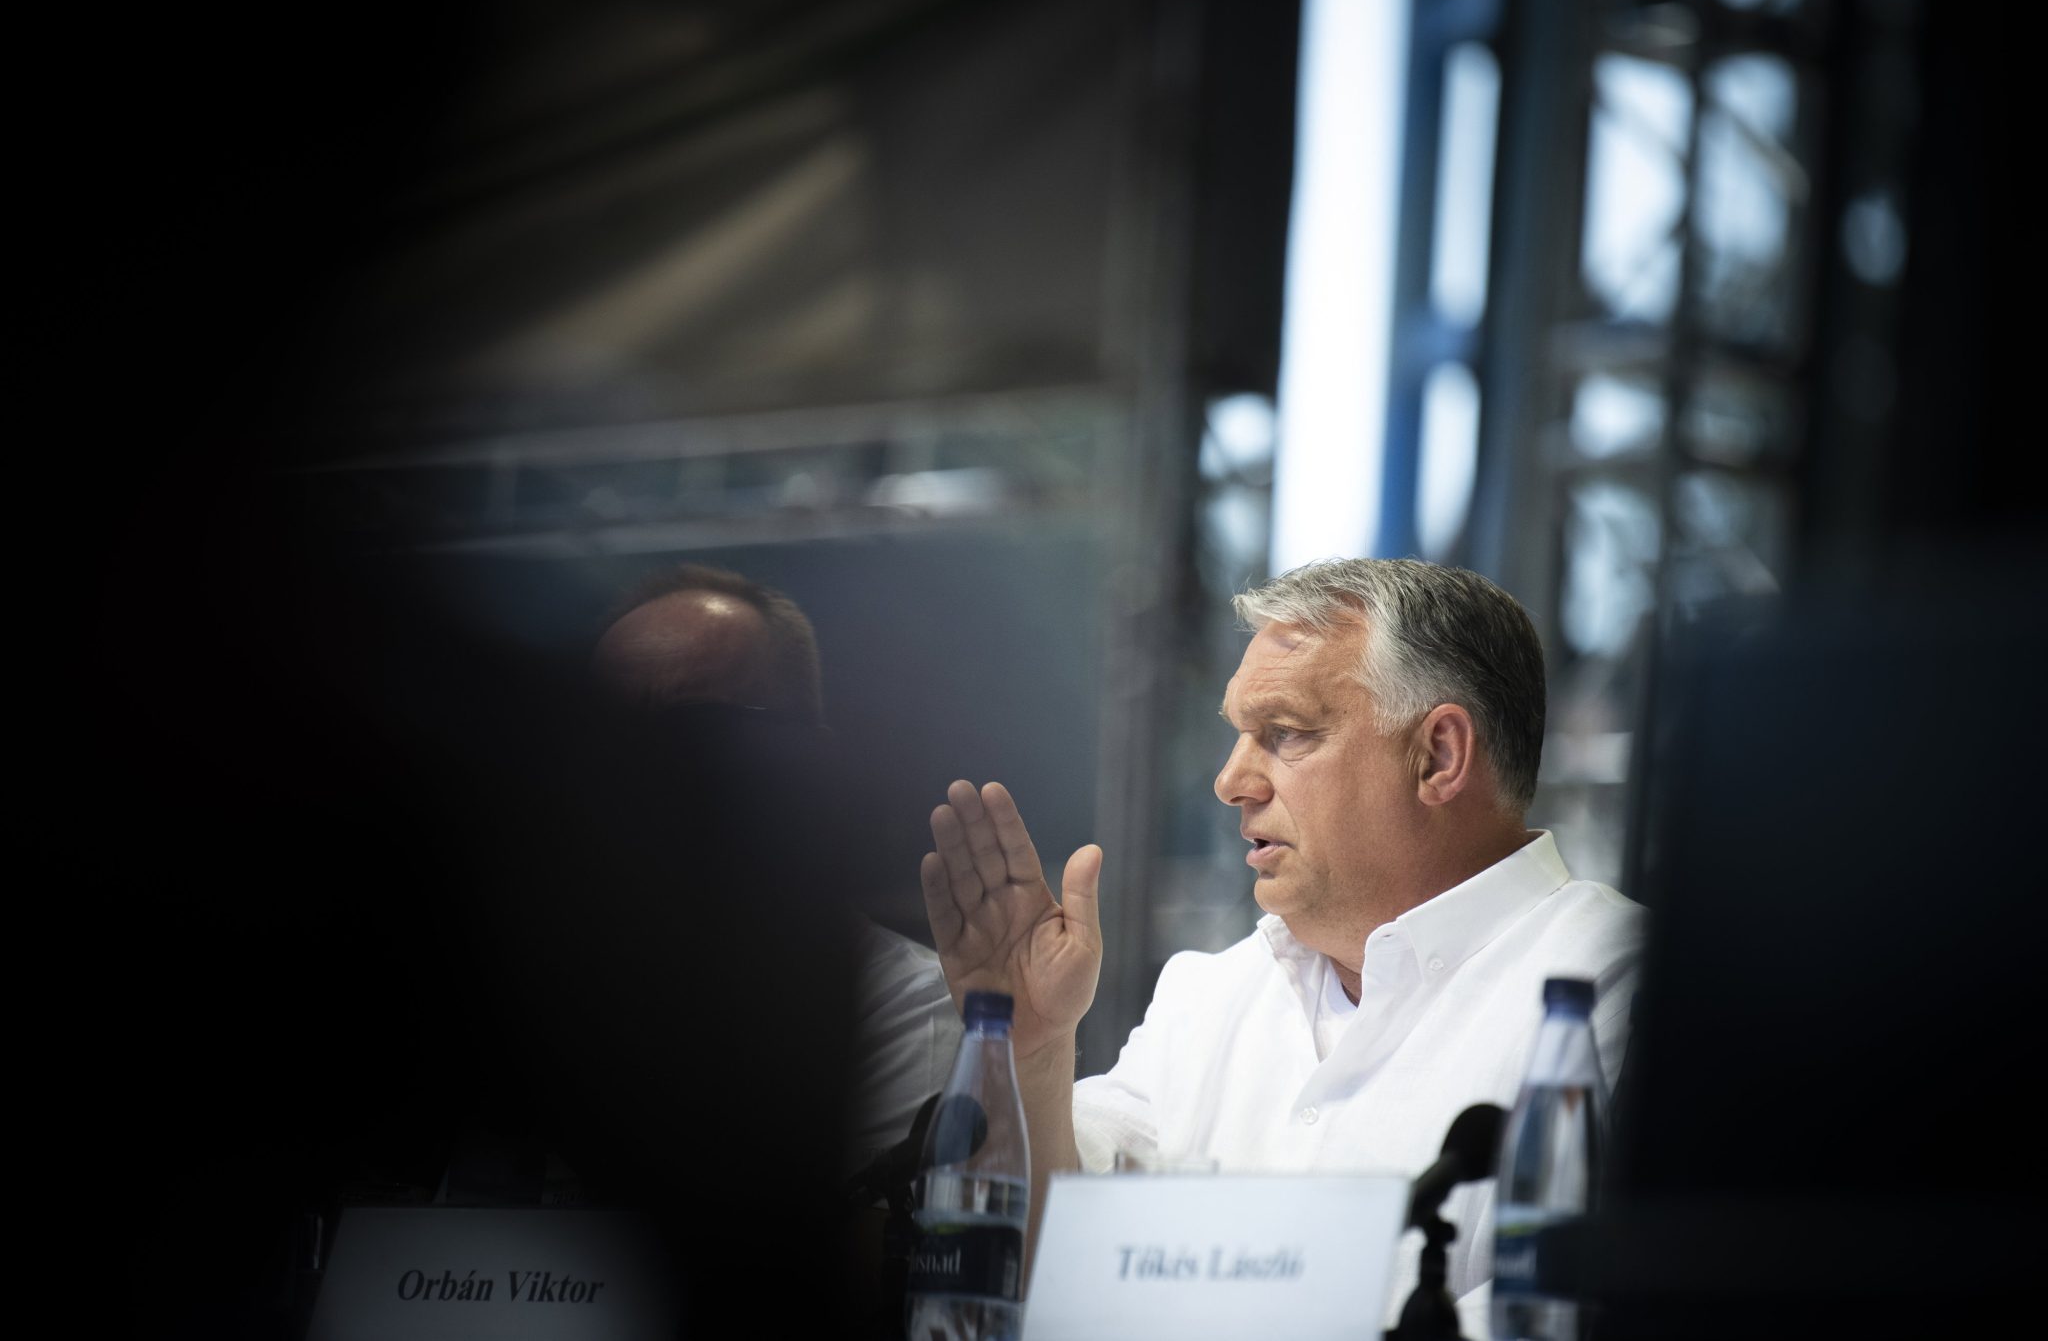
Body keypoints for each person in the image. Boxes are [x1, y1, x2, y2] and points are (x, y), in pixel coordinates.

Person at [919, 558, 1646, 1334]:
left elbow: (1564, 1316)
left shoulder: (1623, 985)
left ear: (1438, 755)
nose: (1231, 780)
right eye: (1238, 735)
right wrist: (1032, 1051)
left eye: (1285, 734)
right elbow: (1048, 1278)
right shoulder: (1207, 996)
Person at [594, 563, 963, 1167]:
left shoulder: (903, 1007)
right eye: (606, 739)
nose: (638, 779)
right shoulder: (518, 983)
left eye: (694, 732)